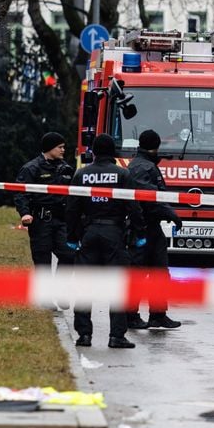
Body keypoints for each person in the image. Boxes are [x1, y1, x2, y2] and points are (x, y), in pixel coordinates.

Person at [66, 134, 146, 349]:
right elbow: (133, 207)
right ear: (113, 153)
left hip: (89, 232)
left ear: (92, 151)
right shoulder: (122, 174)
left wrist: (72, 237)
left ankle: (84, 335)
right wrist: (140, 233)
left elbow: (72, 208)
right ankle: (116, 336)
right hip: (114, 233)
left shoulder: (81, 174)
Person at [125, 129, 183, 330]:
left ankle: (158, 315)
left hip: (150, 227)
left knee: (159, 272)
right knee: (139, 273)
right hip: (142, 228)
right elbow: (150, 199)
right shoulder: (144, 167)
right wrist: (171, 214)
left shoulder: (143, 164)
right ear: (156, 146)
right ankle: (131, 316)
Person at [14, 132, 76, 273]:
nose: (63, 150)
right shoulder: (31, 168)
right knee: (42, 262)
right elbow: (20, 192)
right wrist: (24, 213)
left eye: (63, 147)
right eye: (59, 147)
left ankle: (60, 291)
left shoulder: (66, 169)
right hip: (41, 222)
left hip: (61, 221)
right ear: (49, 148)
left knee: (69, 256)